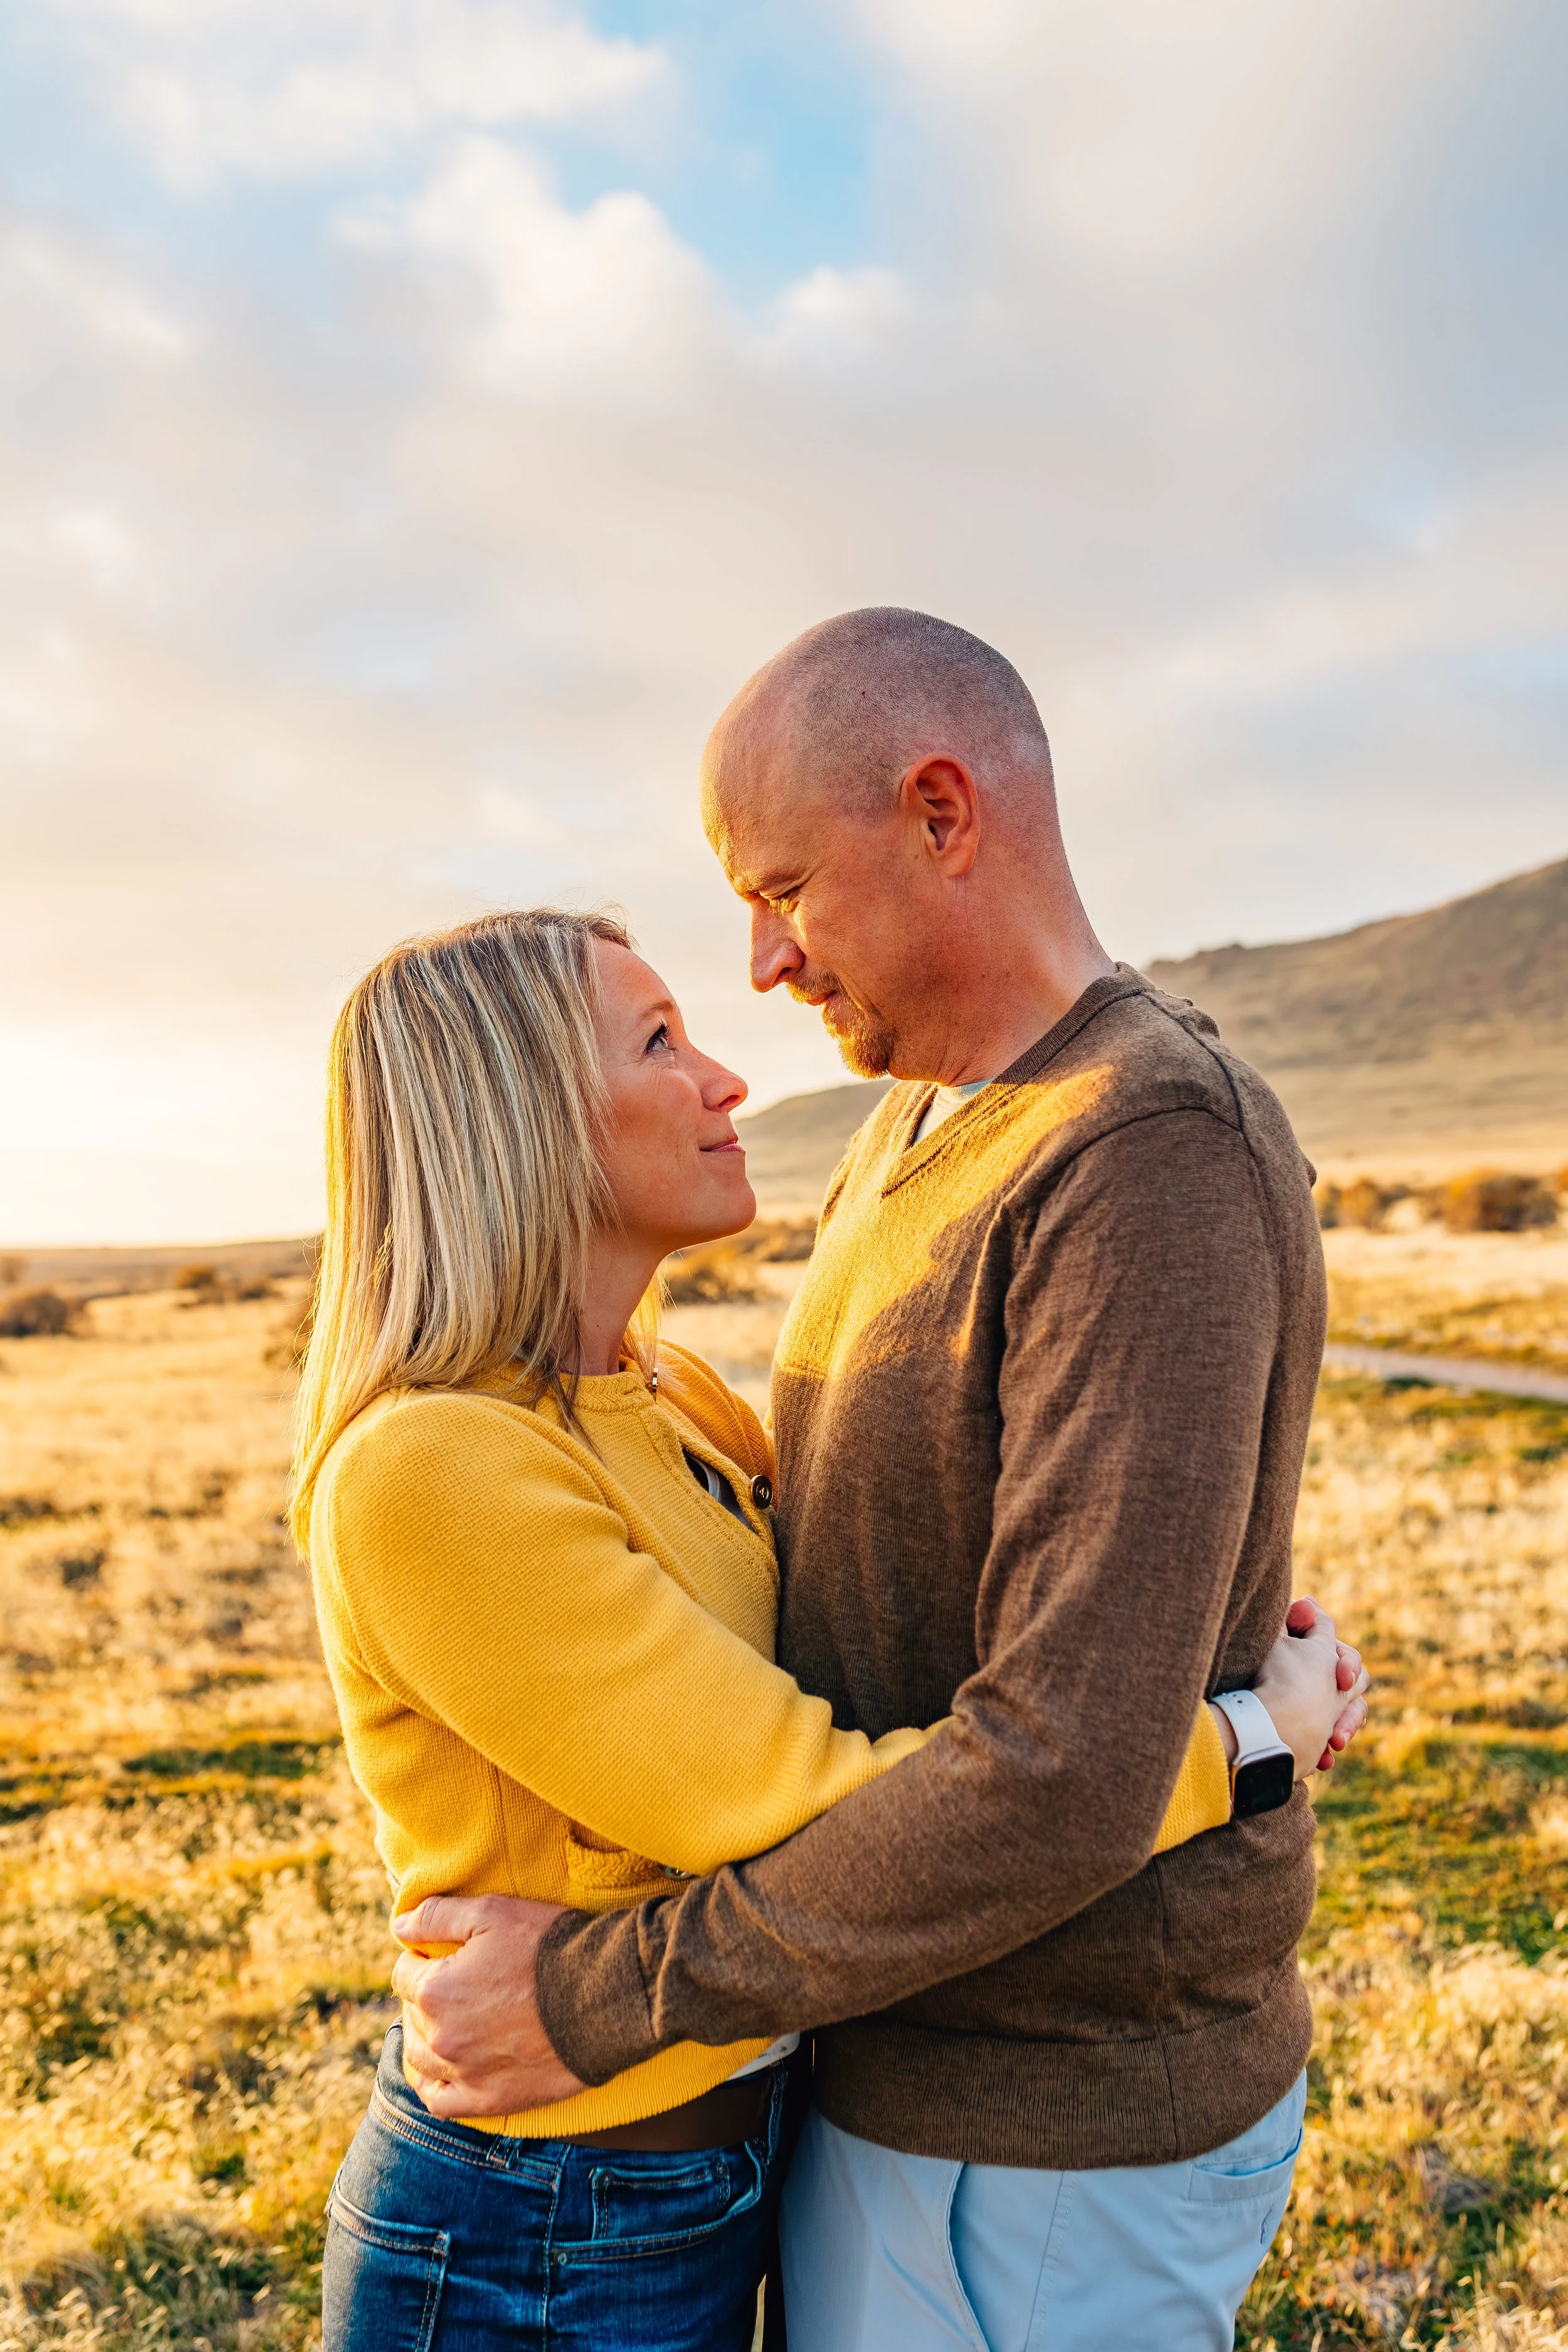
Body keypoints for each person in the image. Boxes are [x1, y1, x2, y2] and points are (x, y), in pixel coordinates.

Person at [388, 608, 1367, 2352]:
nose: (761, 963)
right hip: (890, 2064)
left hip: (1057, 2121)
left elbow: (1063, 1767)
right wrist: (1246, 1718)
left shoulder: (1145, 1145)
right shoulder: (908, 1130)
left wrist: (600, 1994)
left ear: (938, 811)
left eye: (780, 888)